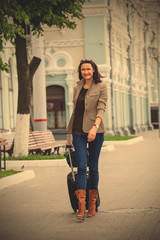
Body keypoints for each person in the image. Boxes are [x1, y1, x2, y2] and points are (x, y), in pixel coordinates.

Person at [67, 59, 108, 220]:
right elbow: (76, 110)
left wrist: (94, 127)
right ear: (80, 71)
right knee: (82, 167)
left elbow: (101, 107)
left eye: (88, 69)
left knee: (94, 167)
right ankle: (81, 206)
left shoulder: (102, 87)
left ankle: (92, 205)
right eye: (83, 69)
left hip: (95, 132)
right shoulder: (77, 86)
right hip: (77, 131)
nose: (86, 72)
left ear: (94, 70)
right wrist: (71, 134)